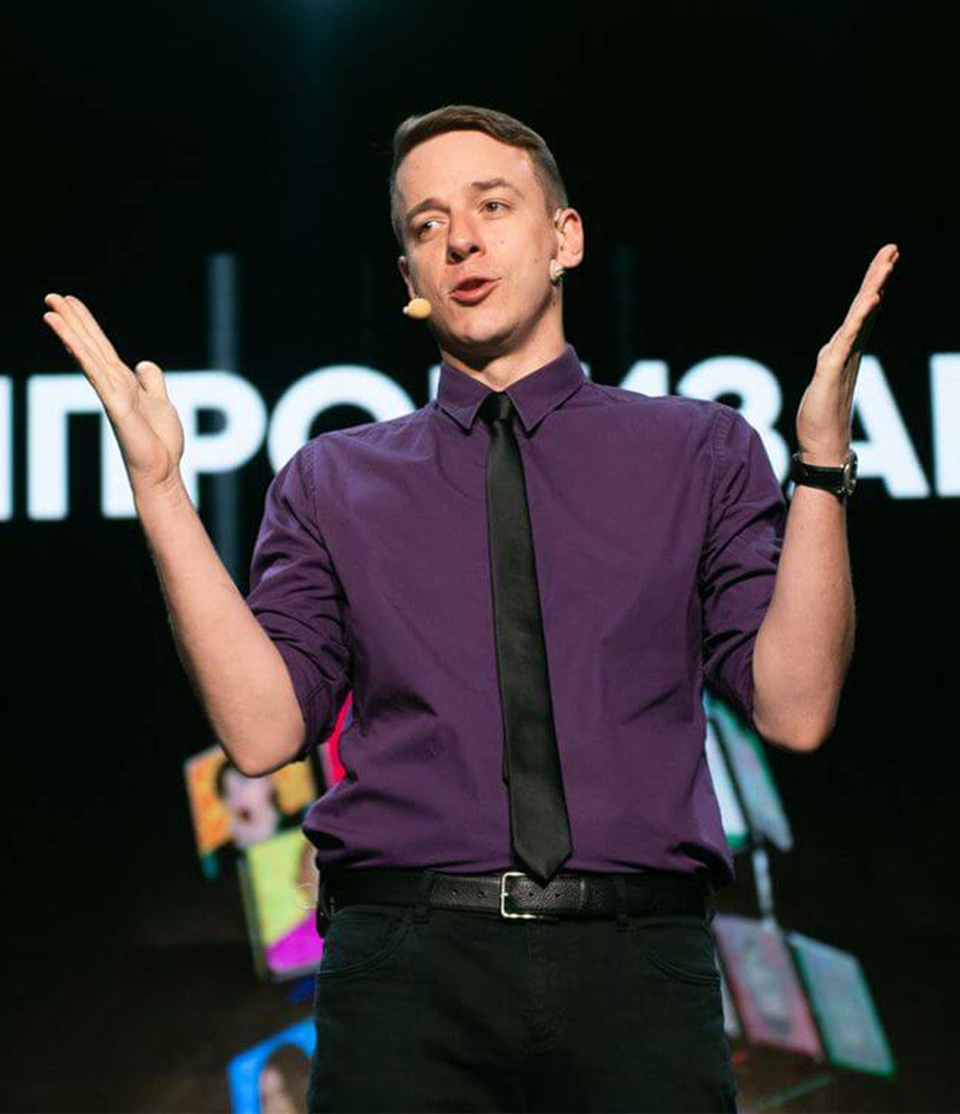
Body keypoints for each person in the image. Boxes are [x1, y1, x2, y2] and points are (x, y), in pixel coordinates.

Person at [41, 103, 897, 1113]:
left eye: (493, 205)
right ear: (410, 275)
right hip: (404, 978)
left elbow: (796, 708)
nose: (461, 240)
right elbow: (262, 731)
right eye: (428, 223)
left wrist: (821, 464)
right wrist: (159, 490)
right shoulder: (331, 479)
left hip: (637, 969)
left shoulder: (699, 450)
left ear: (565, 238)